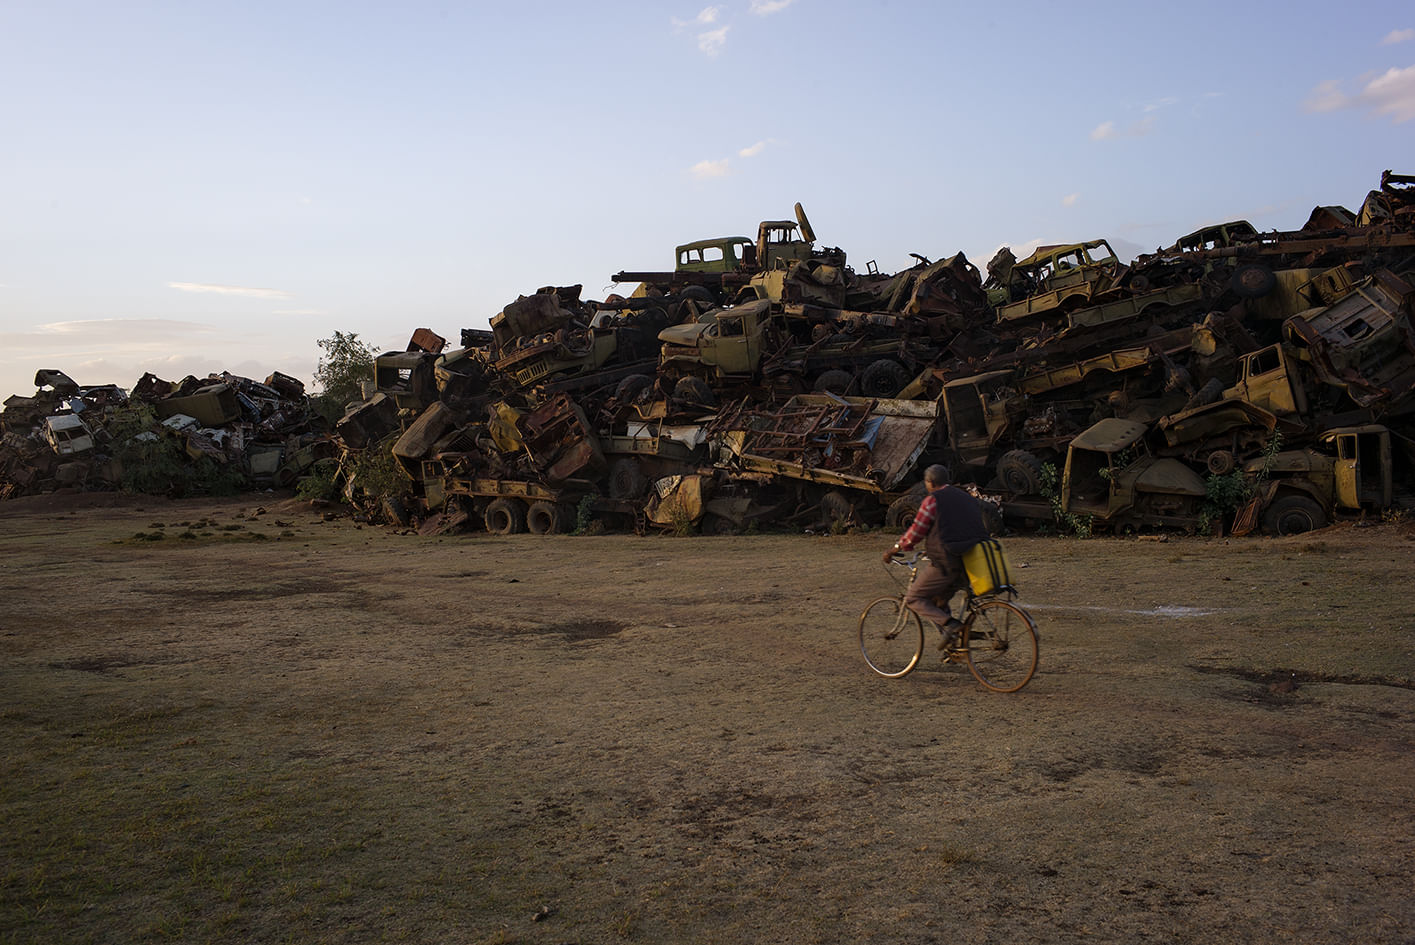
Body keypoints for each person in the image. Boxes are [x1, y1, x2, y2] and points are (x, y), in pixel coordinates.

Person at [882, 464, 990, 649]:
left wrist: (894, 549)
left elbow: (916, 532)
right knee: (938, 601)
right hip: (972, 561)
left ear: (930, 482)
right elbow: (954, 527)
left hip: (947, 562)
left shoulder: (932, 501)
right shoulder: (966, 498)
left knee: (913, 598)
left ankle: (952, 627)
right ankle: (954, 649)